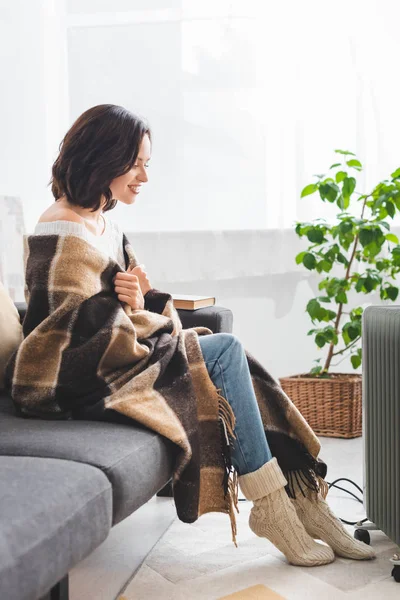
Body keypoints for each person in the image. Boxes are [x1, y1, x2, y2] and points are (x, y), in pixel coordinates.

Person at [33, 105, 375, 566]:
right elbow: (64, 337)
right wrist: (132, 304)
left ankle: (303, 503)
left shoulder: (105, 222)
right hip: (76, 382)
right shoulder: (61, 228)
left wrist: (140, 300)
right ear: (103, 157)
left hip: (123, 356)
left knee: (233, 361)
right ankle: (282, 502)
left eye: (146, 165)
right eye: (136, 164)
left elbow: (134, 306)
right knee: (225, 350)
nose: (143, 177)